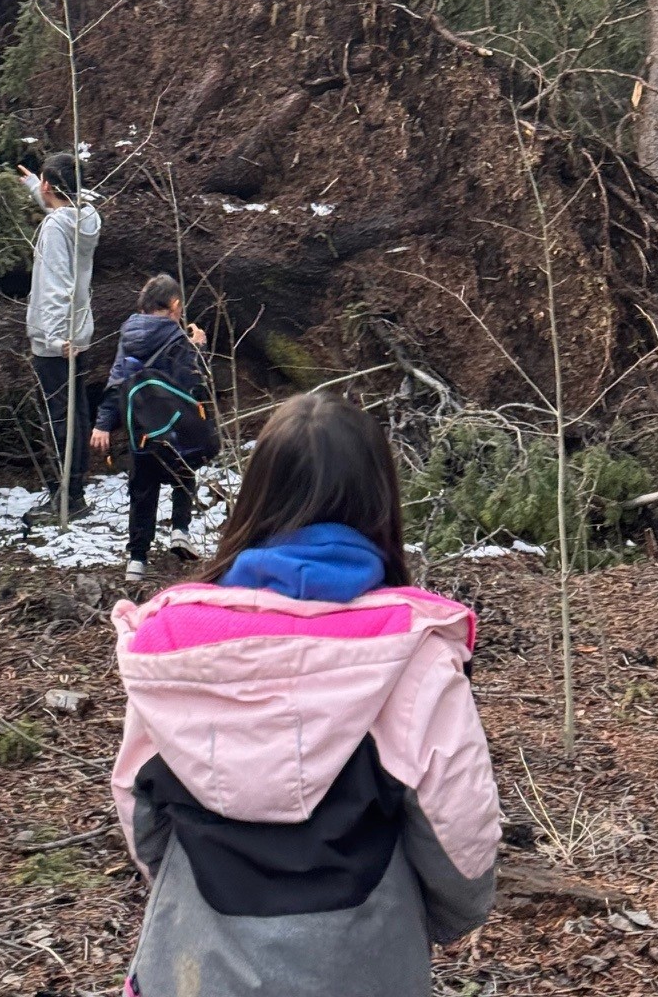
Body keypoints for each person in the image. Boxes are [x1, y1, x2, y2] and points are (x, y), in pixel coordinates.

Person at [108, 393, 501, 997]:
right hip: (363, 959)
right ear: (380, 500)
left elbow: (139, 802)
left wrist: (182, 886)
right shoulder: (410, 651)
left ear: (258, 495)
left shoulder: (172, 644)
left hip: (192, 962)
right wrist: (447, 915)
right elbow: (457, 823)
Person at [91, 273, 215, 582]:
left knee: (142, 489)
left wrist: (103, 424)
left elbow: (117, 381)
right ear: (174, 305)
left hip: (141, 431)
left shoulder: (128, 335)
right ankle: (180, 530)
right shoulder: (176, 338)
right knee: (185, 470)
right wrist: (198, 348)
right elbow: (194, 384)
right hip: (174, 428)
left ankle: (136, 560)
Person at [20, 149, 103, 518]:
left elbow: (57, 284)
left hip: (58, 338)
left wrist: (54, 337)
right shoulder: (86, 218)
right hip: (79, 331)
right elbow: (62, 208)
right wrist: (32, 187)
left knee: (57, 417)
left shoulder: (55, 228)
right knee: (77, 411)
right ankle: (76, 491)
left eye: (43, 182)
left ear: (51, 185)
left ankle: (64, 499)